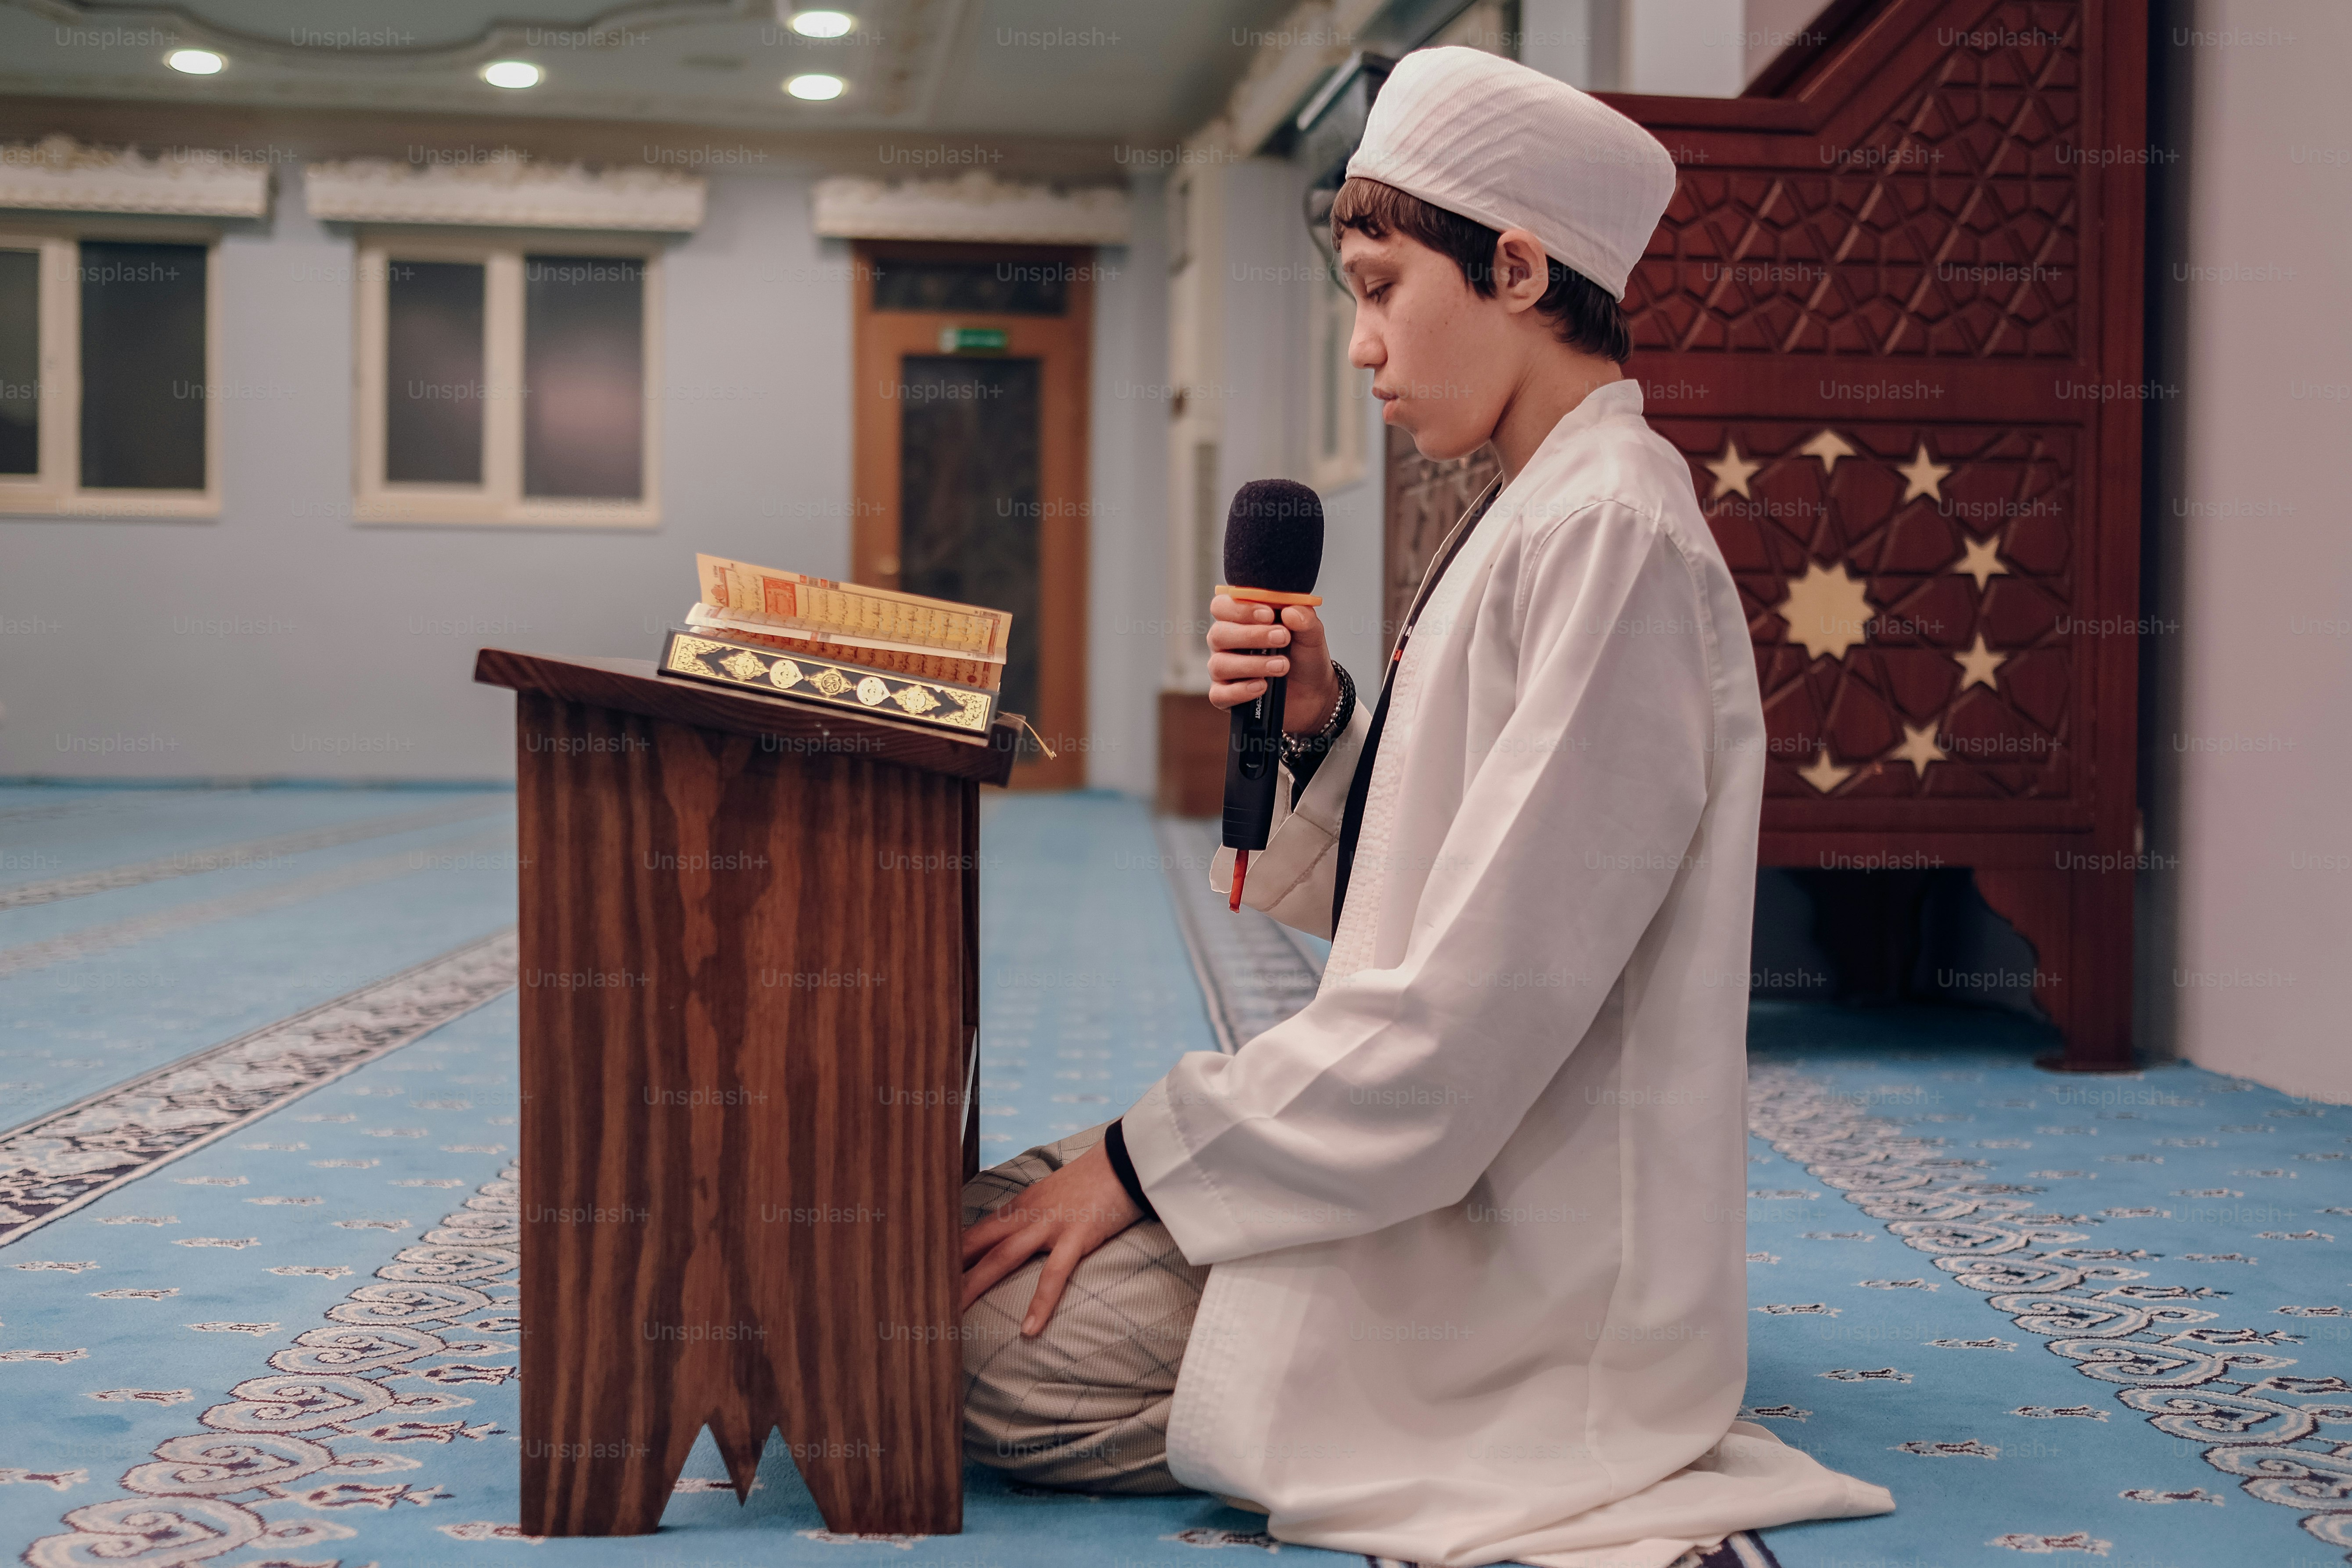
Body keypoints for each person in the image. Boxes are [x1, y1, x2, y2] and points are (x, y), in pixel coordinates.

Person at [957, 46, 1897, 1568]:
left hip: (1509, 1245)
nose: (1362, 347)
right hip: (1421, 1159)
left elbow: (1469, 1015)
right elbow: (1437, 880)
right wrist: (1321, 727)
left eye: (1383, 288)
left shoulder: (1612, 537)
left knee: (959, 1339)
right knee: (973, 1219)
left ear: (1516, 267)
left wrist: (1141, 1162)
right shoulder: (1540, 508)